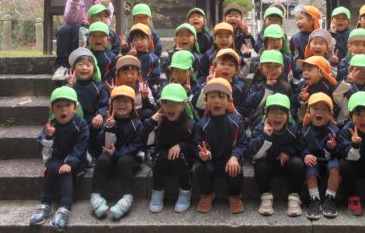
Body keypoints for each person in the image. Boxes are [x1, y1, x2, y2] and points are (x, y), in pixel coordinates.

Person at [30, 86, 88, 230]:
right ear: (52, 109)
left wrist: (70, 163)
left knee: (65, 172)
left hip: (76, 160)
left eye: (68, 105)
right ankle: (45, 203)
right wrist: (49, 136)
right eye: (58, 106)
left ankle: (65, 207)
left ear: (75, 107)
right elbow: (41, 146)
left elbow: (81, 147)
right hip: (57, 157)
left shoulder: (80, 124)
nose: (63, 110)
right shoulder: (51, 125)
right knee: (52, 167)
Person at [194, 78, 248, 214]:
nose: (217, 101)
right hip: (211, 161)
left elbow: (242, 143)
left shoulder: (236, 121)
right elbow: (197, 144)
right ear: (206, 101)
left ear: (229, 101)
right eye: (212, 97)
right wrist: (202, 154)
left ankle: (234, 195)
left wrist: (235, 157)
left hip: (229, 160)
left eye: (221, 97)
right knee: (201, 168)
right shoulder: (202, 124)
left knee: (237, 170)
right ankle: (207, 194)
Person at [90, 85, 144, 220]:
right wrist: (109, 128)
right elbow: (102, 142)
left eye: (125, 101)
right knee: (102, 159)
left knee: (123, 160)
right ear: (111, 104)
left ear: (133, 104)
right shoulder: (109, 121)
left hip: (130, 158)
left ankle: (127, 197)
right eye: (118, 100)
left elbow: (137, 145)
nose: (121, 104)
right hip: (112, 155)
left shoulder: (137, 124)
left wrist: (117, 153)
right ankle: (95, 196)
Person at [248, 93, 304, 217]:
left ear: (288, 114)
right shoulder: (260, 128)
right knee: (260, 167)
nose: (277, 116)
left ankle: (294, 196)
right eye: (273, 112)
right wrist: (265, 136)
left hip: (286, 162)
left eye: (282, 113)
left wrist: (288, 152)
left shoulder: (293, 129)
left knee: (298, 164)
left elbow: (300, 145)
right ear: (266, 113)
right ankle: (266, 195)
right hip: (268, 162)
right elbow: (253, 152)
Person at [142, 83, 196, 213]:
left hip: (182, 161)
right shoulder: (159, 121)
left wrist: (181, 146)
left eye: (174, 103)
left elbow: (195, 146)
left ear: (183, 104)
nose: (169, 107)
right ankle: (157, 191)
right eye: (165, 103)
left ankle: (185, 190)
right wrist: (151, 122)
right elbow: (144, 141)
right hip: (162, 159)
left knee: (178, 157)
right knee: (161, 156)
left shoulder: (190, 124)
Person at [54, 0, 116, 81]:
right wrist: (76, 1)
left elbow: (106, 24)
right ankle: (63, 66)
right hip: (76, 29)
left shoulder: (107, 2)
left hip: (96, 31)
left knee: (110, 33)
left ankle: (110, 63)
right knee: (65, 29)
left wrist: (103, 7)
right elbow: (69, 20)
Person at [300, 93, 341, 220]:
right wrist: (306, 155)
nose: (319, 112)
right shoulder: (305, 130)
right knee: (310, 169)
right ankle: (315, 199)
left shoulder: (334, 130)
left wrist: (332, 147)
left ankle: (330, 197)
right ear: (308, 112)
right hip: (314, 159)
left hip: (329, 159)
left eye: (324, 110)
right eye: (315, 109)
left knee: (335, 167)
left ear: (330, 114)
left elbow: (339, 152)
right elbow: (301, 146)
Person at [66, 48, 108, 159]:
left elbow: (105, 104)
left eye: (88, 65)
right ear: (74, 68)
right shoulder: (70, 85)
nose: (84, 68)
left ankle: (95, 153)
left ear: (94, 69)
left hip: (92, 118)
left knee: (99, 126)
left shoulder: (98, 87)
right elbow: (63, 101)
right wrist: (70, 86)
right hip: (74, 118)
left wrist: (100, 114)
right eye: (80, 64)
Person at [246, 50, 296, 126]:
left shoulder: (286, 87)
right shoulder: (256, 86)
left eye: (276, 66)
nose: (272, 69)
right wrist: (267, 88)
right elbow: (253, 105)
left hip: (282, 122)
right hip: (261, 123)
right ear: (261, 68)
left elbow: (292, 108)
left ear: (282, 68)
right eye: (268, 66)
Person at [194, 49, 246, 120]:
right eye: (222, 64)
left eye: (231, 65)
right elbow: (197, 105)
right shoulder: (208, 83)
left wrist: (233, 110)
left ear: (236, 70)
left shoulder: (240, 87)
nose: (226, 67)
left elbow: (243, 110)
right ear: (214, 67)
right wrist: (207, 86)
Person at [332, 54, 365, 124]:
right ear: (350, 70)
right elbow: (336, 95)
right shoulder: (345, 86)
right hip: (345, 122)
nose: (362, 74)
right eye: (358, 69)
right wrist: (347, 82)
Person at [110, 55, 156, 119]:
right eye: (125, 73)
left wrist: (145, 98)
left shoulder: (143, 88)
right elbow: (111, 111)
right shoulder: (115, 89)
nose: (129, 76)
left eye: (132, 73)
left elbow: (153, 109)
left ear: (138, 75)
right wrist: (112, 96)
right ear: (118, 76)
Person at [295, 56, 337, 123]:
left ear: (320, 72)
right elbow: (296, 105)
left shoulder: (327, 87)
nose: (305, 73)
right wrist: (301, 98)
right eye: (304, 70)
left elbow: (334, 108)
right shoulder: (302, 86)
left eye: (309, 70)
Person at [127, 23, 161, 97]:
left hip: (147, 89)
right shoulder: (130, 55)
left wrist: (141, 83)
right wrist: (131, 56)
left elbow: (155, 77)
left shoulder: (153, 58)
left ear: (149, 40)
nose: (139, 42)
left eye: (142, 39)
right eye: (135, 40)